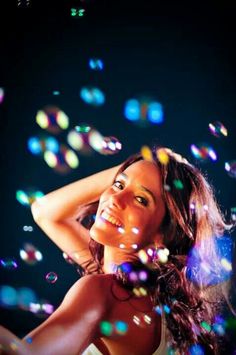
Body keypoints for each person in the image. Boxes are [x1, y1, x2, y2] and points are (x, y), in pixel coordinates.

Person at [0, 145, 233, 355]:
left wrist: (141, 168)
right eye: (118, 185)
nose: (115, 199)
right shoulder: (151, 299)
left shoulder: (106, 293)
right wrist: (149, 164)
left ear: (164, 237)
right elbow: (45, 212)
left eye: (141, 200)